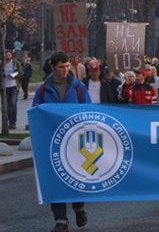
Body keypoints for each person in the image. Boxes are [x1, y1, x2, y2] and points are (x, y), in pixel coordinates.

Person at [32, 51, 91, 232]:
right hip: (53, 142)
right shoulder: (42, 90)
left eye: (67, 66)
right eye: (61, 67)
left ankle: (79, 207)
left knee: (75, 177)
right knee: (55, 179)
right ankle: (61, 220)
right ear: (52, 67)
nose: (65, 70)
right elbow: (35, 114)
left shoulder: (79, 87)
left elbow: (88, 111)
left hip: (75, 142)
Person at [4, 50, 22, 129]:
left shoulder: (15, 63)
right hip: (4, 87)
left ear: (11, 55)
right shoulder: (2, 64)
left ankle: (13, 122)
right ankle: (7, 122)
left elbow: (20, 73)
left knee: (13, 104)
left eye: (8, 55)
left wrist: (13, 75)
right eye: (6, 55)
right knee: (6, 106)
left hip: (13, 86)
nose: (7, 56)